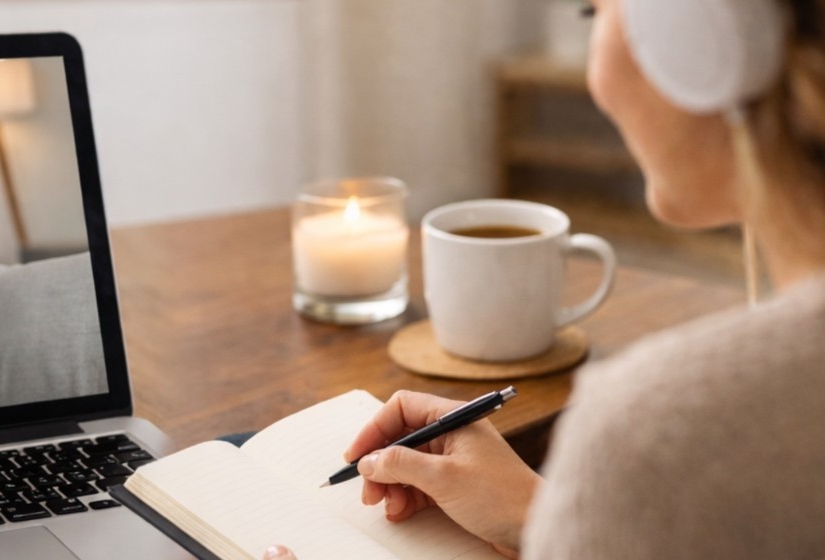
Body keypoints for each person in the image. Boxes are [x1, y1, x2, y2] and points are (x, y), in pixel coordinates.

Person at [267, 0, 825, 557]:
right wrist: (546, 516)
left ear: (699, 38)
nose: (593, 75)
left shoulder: (654, 439)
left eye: (593, 11)